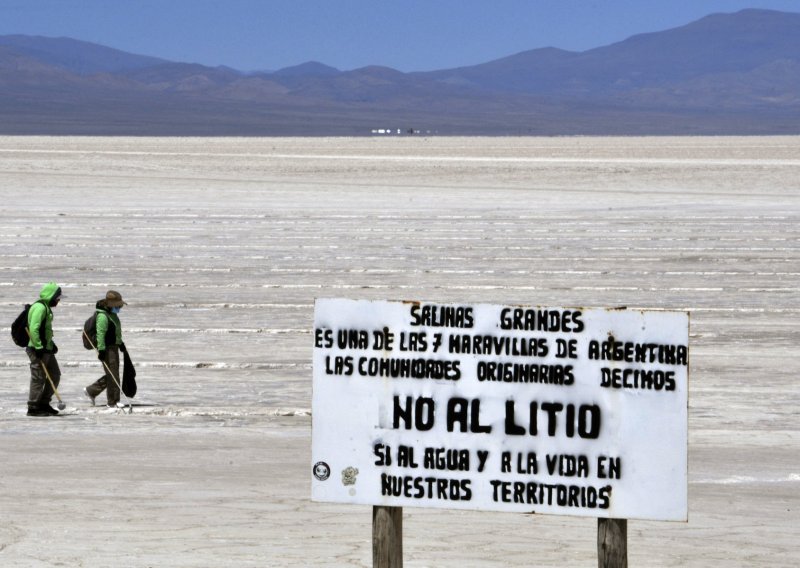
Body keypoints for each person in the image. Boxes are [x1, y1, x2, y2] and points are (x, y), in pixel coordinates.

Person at [84, 290, 127, 408]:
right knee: (113, 374)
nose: (120, 307)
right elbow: (101, 334)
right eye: (118, 305)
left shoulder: (112, 315)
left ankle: (91, 391)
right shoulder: (103, 316)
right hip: (107, 349)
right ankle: (113, 402)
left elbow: (115, 332)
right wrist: (102, 350)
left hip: (114, 347)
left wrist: (120, 343)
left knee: (112, 374)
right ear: (111, 304)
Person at [26, 282, 63, 417]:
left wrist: (51, 344)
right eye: (57, 297)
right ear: (50, 296)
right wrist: (39, 347)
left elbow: (45, 330)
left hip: (46, 348)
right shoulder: (40, 308)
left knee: (55, 375)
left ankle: (44, 403)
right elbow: (34, 329)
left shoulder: (46, 307)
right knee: (38, 378)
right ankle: (33, 407)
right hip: (37, 349)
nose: (58, 300)